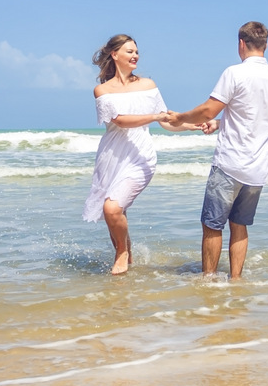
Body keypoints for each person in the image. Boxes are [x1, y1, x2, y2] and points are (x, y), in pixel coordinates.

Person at [166, 21, 268, 279]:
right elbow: (253, 117)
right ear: (266, 44)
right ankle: (236, 279)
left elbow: (209, 109)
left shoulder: (235, 73)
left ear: (241, 44)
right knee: (239, 224)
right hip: (258, 166)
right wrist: (220, 124)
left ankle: (208, 280)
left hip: (231, 163)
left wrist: (181, 119)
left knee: (212, 224)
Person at [83, 34, 202, 275]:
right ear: (114, 55)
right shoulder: (102, 90)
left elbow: (166, 121)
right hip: (112, 157)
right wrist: (155, 117)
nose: (135, 55)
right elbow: (120, 121)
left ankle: (122, 253)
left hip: (141, 157)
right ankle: (128, 256)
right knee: (116, 212)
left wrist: (193, 126)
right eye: (129, 51)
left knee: (112, 209)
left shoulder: (148, 85)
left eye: (136, 51)